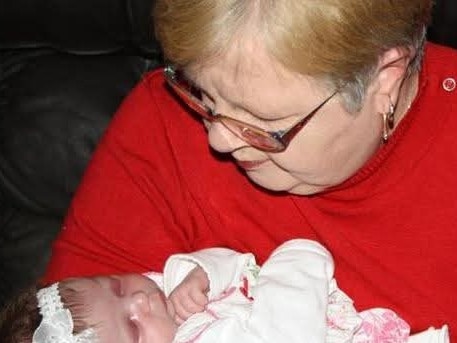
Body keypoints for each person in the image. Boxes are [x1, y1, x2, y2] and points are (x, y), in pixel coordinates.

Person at [44, 0, 457, 339]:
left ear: (384, 79)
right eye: (204, 96)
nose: (218, 140)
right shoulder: (164, 122)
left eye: (261, 123)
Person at [0, 240, 449, 343]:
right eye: (133, 330)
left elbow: (235, 262)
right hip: (289, 330)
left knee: (298, 256)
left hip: (314, 315)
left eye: (116, 286)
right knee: (299, 258)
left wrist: (201, 274)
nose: (140, 300)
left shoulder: (170, 285)